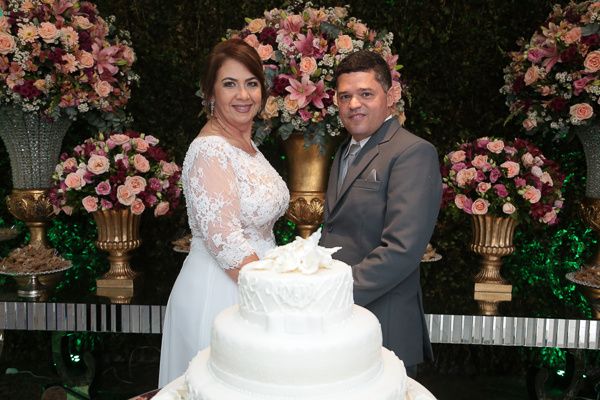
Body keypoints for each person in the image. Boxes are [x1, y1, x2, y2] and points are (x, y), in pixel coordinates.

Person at [158, 39, 289, 387]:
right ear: (210, 93)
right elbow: (227, 242)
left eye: (251, 83)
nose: (242, 95)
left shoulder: (246, 145)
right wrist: (281, 293)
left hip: (253, 287)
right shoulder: (210, 151)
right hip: (221, 294)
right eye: (229, 84)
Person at [319, 50, 442, 379]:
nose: (354, 104)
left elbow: (402, 249)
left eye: (365, 94)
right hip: (341, 324)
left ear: (391, 96)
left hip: (383, 323)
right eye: (345, 96)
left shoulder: (413, 152)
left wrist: (333, 292)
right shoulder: (345, 149)